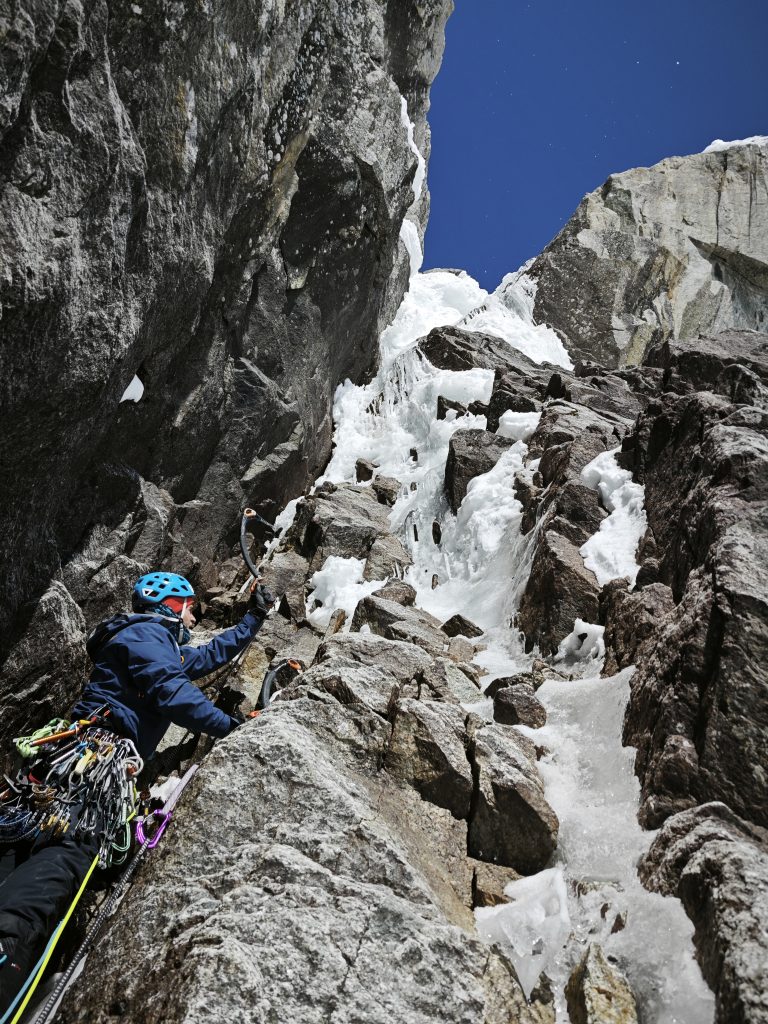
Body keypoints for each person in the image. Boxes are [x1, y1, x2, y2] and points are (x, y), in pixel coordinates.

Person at [0, 571, 273, 1015]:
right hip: (96, 768)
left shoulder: (148, 642)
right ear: (172, 605)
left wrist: (253, 619)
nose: (192, 617)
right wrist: (231, 727)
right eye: (190, 607)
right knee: (67, 852)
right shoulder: (147, 635)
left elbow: (203, 659)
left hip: (72, 763)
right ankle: (6, 950)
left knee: (33, 845)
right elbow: (172, 692)